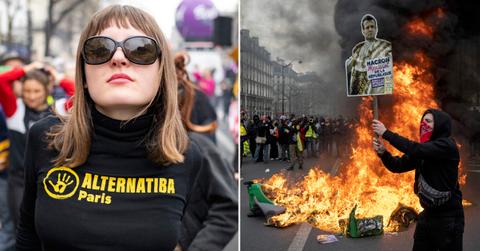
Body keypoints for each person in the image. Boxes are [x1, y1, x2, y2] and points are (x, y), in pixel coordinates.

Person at [16, 5, 235, 250]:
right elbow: (27, 235)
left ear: (161, 72)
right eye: (100, 49)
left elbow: (226, 210)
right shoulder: (46, 138)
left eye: (141, 49)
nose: (118, 58)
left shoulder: (187, 152)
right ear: (84, 73)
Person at [372, 109, 464, 250]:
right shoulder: (423, 150)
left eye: (428, 121)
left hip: (449, 218)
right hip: (428, 215)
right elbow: (398, 166)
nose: (423, 124)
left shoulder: (447, 146)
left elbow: (415, 149)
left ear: (440, 125)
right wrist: (384, 154)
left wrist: (386, 133)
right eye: (422, 121)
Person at [0, 62, 73, 227]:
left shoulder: (60, 109)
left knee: (49, 229)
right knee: (21, 227)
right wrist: (26, 69)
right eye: (27, 91)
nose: (31, 96)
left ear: (47, 90)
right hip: (19, 181)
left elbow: (81, 94)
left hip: (52, 181)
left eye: (36, 91)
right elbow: (1, 81)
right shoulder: (15, 109)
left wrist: (58, 77)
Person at [346, 14, 392, 95]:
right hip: (360, 94)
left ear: (376, 29)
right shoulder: (357, 49)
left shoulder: (386, 47)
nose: (370, 29)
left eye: (372, 27)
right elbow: (349, 67)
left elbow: (390, 71)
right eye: (367, 27)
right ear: (363, 31)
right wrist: (353, 60)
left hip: (379, 91)